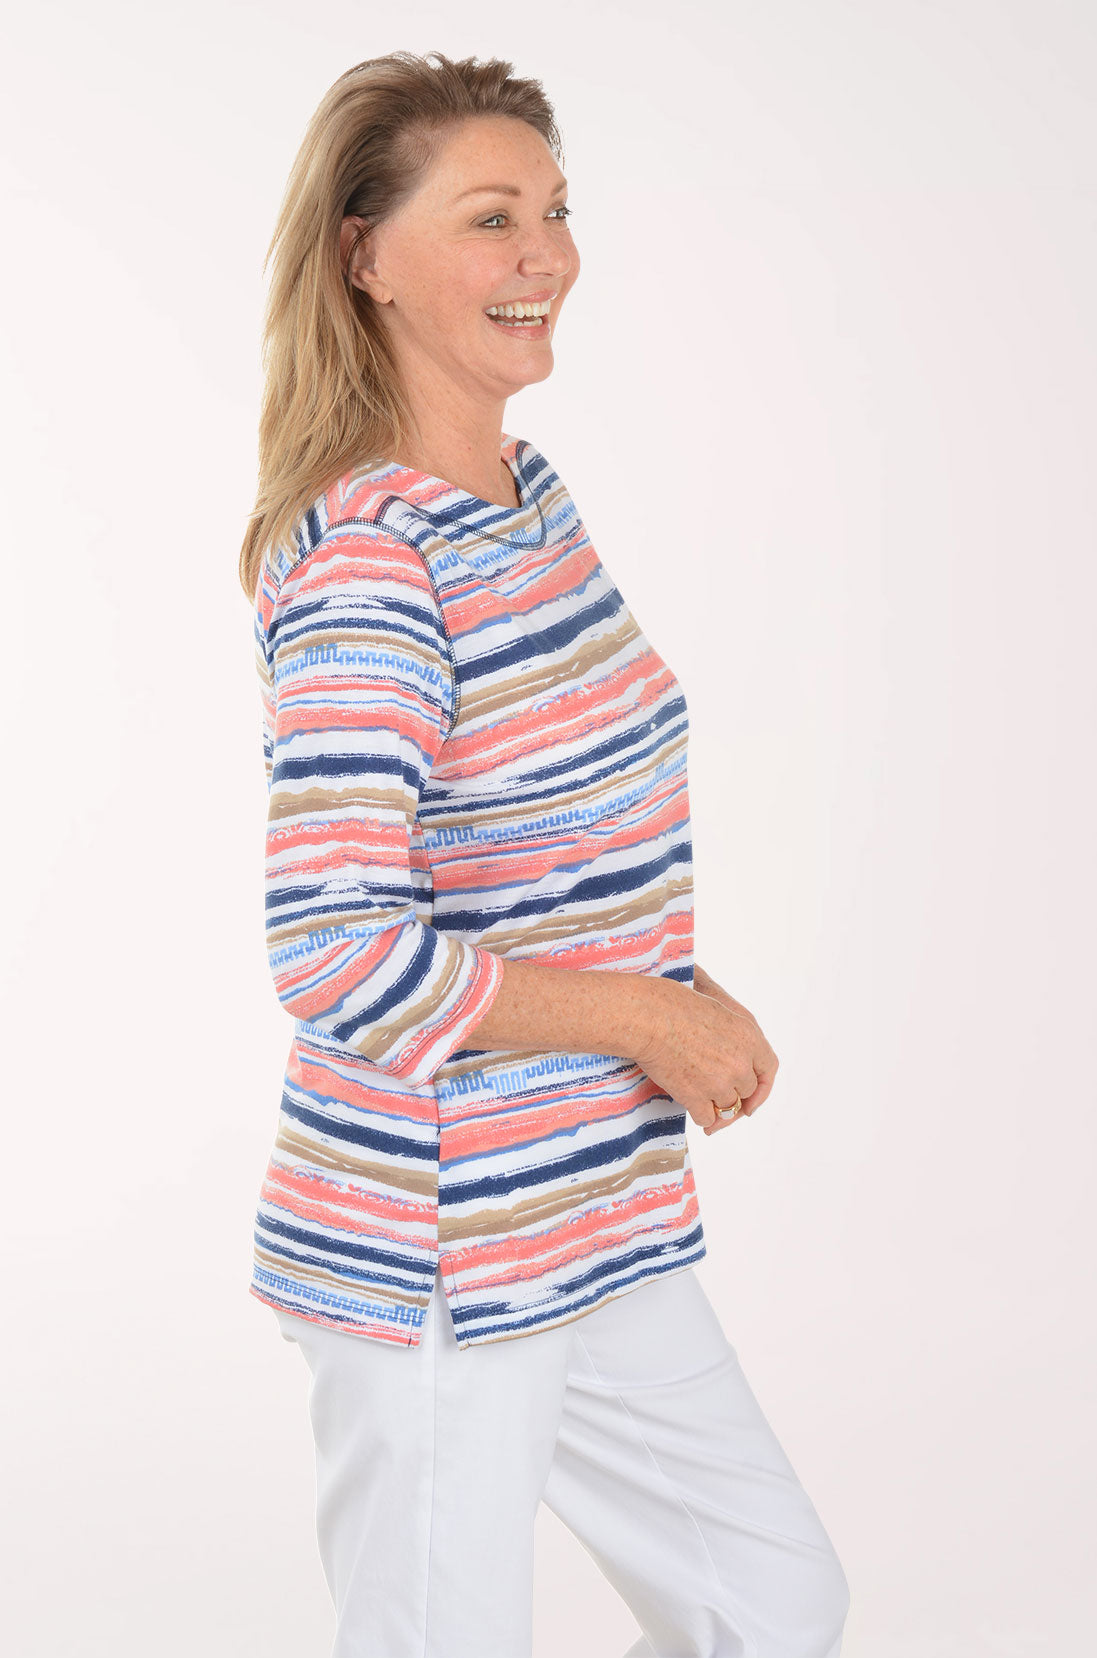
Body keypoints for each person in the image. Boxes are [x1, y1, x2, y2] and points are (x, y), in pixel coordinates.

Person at [239, 49, 851, 1658]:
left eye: (557, 212)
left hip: (593, 1207)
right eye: (491, 216)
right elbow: (337, 948)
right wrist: (649, 1020)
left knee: (771, 1599)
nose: (546, 255)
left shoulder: (526, 498)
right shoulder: (374, 568)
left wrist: (675, 981)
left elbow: (553, 835)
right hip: (436, 1245)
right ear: (364, 256)